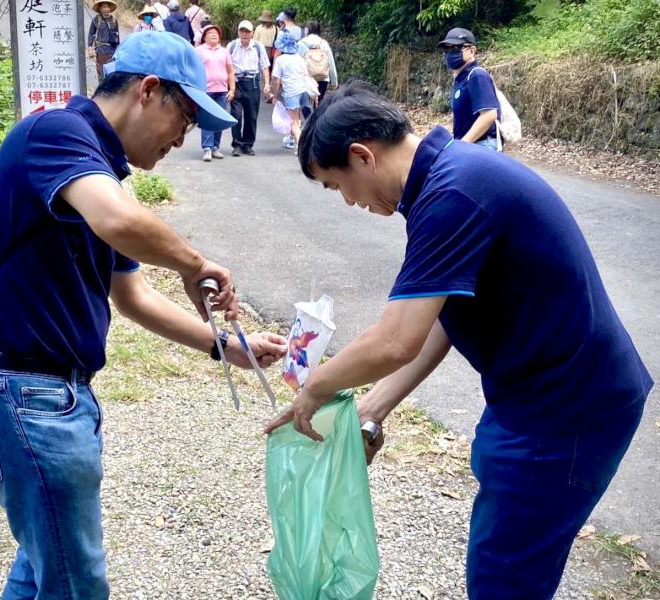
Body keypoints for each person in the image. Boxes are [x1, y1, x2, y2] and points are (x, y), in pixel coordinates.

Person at [265, 82, 653, 600]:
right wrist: (373, 407)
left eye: (338, 186)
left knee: (504, 580)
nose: (349, 201)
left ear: (362, 156)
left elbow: (396, 340)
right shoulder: (448, 177)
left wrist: (314, 389)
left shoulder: (453, 195)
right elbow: (442, 317)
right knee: (503, 562)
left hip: (566, 411)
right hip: (542, 398)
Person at [0, 30, 286, 599]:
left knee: (43, 569)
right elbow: (119, 222)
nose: (181, 139)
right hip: (23, 393)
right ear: (148, 91)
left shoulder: (99, 170)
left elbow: (131, 295)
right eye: (185, 118)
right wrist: (195, 263)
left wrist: (228, 346)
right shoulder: (57, 133)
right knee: (75, 584)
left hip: (46, 396)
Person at [438, 27, 500, 151]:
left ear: (472, 51)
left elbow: (489, 114)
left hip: (482, 146)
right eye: (446, 49)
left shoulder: (477, 75)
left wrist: (463, 144)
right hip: (472, 146)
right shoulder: (462, 79)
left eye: (456, 48)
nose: (450, 53)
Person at [227, 20, 271, 156]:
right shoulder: (232, 46)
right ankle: (237, 145)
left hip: (252, 83)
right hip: (236, 83)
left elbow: (264, 66)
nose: (245, 34)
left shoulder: (258, 47)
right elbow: (226, 65)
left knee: (251, 115)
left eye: (247, 31)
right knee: (236, 115)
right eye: (242, 31)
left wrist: (267, 83)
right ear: (238, 32)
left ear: (252, 33)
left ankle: (248, 144)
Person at [196, 24, 235, 162]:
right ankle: (207, 148)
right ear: (204, 37)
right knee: (207, 119)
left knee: (219, 120)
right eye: (210, 33)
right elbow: (193, 70)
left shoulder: (224, 52)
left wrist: (232, 89)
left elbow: (230, 72)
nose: (214, 35)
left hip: (222, 91)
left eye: (216, 33)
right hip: (205, 91)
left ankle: (215, 147)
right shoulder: (199, 51)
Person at [271, 30, 310, 153]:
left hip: (291, 93)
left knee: (292, 122)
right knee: (296, 118)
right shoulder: (299, 58)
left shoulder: (280, 60)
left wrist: (274, 95)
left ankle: (301, 145)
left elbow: (276, 80)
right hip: (303, 91)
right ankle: (292, 140)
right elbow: (306, 75)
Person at [298, 20, 338, 104]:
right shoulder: (324, 43)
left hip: (306, 78)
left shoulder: (301, 43)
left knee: (306, 103)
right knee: (319, 102)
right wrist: (334, 82)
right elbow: (330, 62)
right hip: (323, 77)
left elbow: (297, 62)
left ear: (307, 30)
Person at [87, 0, 120, 82]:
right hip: (101, 51)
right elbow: (91, 34)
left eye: (107, 7)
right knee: (101, 75)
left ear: (110, 8)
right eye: (104, 7)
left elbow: (117, 37)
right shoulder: (96, 20)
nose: (106, 9)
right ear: (100, 9)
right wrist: (90, 47)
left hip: (112, 51)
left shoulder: (114, 20)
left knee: (111, 75)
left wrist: (118, 51)